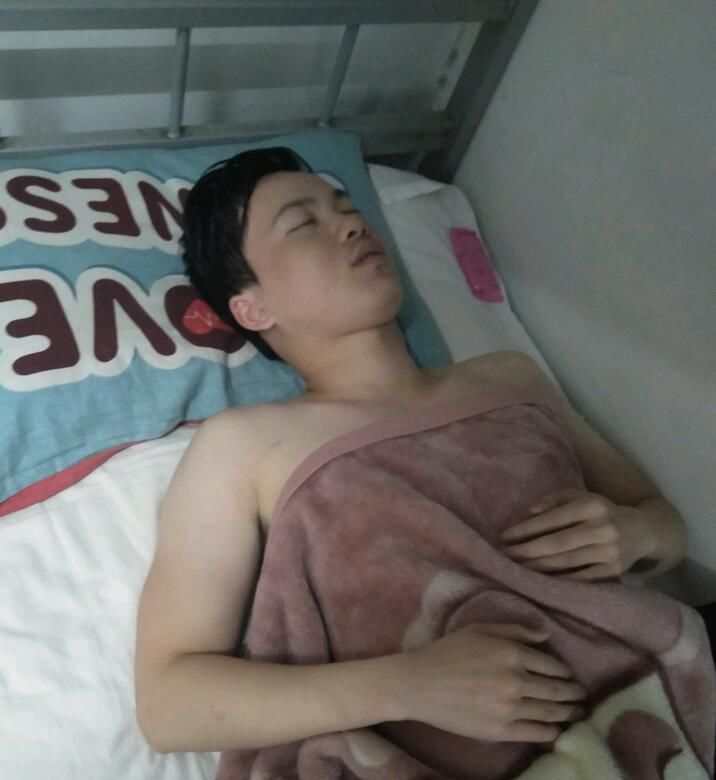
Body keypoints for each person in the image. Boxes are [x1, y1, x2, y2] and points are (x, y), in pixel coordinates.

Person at [134, 146, 697, 757]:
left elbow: (663, 523)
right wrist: (406, 686)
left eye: (346, 207)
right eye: (303, 224)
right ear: (252, 307)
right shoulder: (243, 447)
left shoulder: (511, 377)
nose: (351, 224)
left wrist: (637, 533)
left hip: (655, 708)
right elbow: (169, 705)